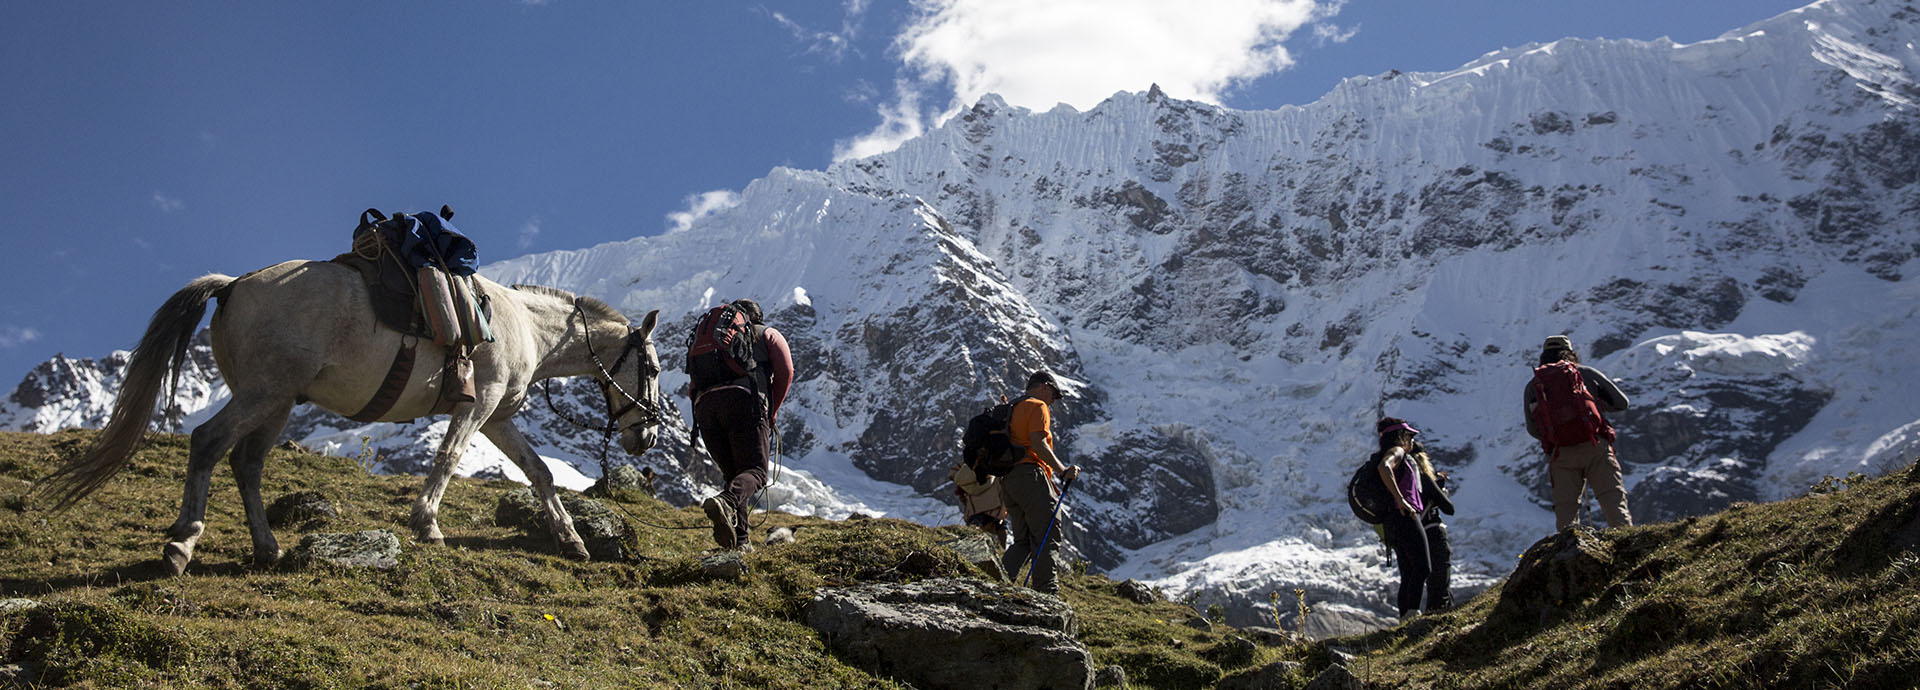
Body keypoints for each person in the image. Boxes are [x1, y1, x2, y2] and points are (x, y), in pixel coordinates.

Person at [692, 299, 794, 551]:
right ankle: (726, 503)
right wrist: (772, 411)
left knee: (735, 476)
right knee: (755, 472)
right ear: (757, 318)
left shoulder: (711, 343)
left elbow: (693, 386)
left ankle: (741, 542)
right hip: (744, 403)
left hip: (705, 409)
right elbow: (786, 372)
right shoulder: (766, 333)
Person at [1523, 335, 1632, 531]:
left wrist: (1556, 435)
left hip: (1561, 453)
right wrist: (1597, 407)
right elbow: (1622, 402)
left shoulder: (1534, 385)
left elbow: (1533, 429)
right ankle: (1630, 550)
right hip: (1595, 445)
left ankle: (1571, 553)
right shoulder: (1586, 373)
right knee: (1613, 501)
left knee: (1567, 513)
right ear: (1571, 353)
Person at [999, 370, 1080, 594]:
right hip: (1030, 476)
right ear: (1044, 386)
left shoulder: (1012, 407)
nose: (1054, 400)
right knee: (1048, 530)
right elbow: (1038, 443)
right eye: (1054, 394)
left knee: (1023, 541)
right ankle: (1046, 590)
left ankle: (998, 583)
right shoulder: (1037, 406)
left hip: (1008, 479)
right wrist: (1063, 470)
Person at [1373, 417, 1435, 619]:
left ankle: (1405, 617)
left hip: (1392, 521)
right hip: (1405, 515)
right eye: (1409, 435)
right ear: (1399, 436)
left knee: (1408, 572)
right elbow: (1384, 467)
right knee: (1423, 566)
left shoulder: (1389, 453)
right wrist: (1400, 499)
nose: (1412, 441)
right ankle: (1412, 614)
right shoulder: (1397, 452)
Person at [1411, 439, 1455, 612]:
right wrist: (1438, 489)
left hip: (1415, 537)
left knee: (1429, 580)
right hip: (1433, 533)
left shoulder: (1404, 484)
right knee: (1440, 582)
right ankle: (1437, 617)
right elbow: (1449, 508)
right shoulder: (1424, 480)